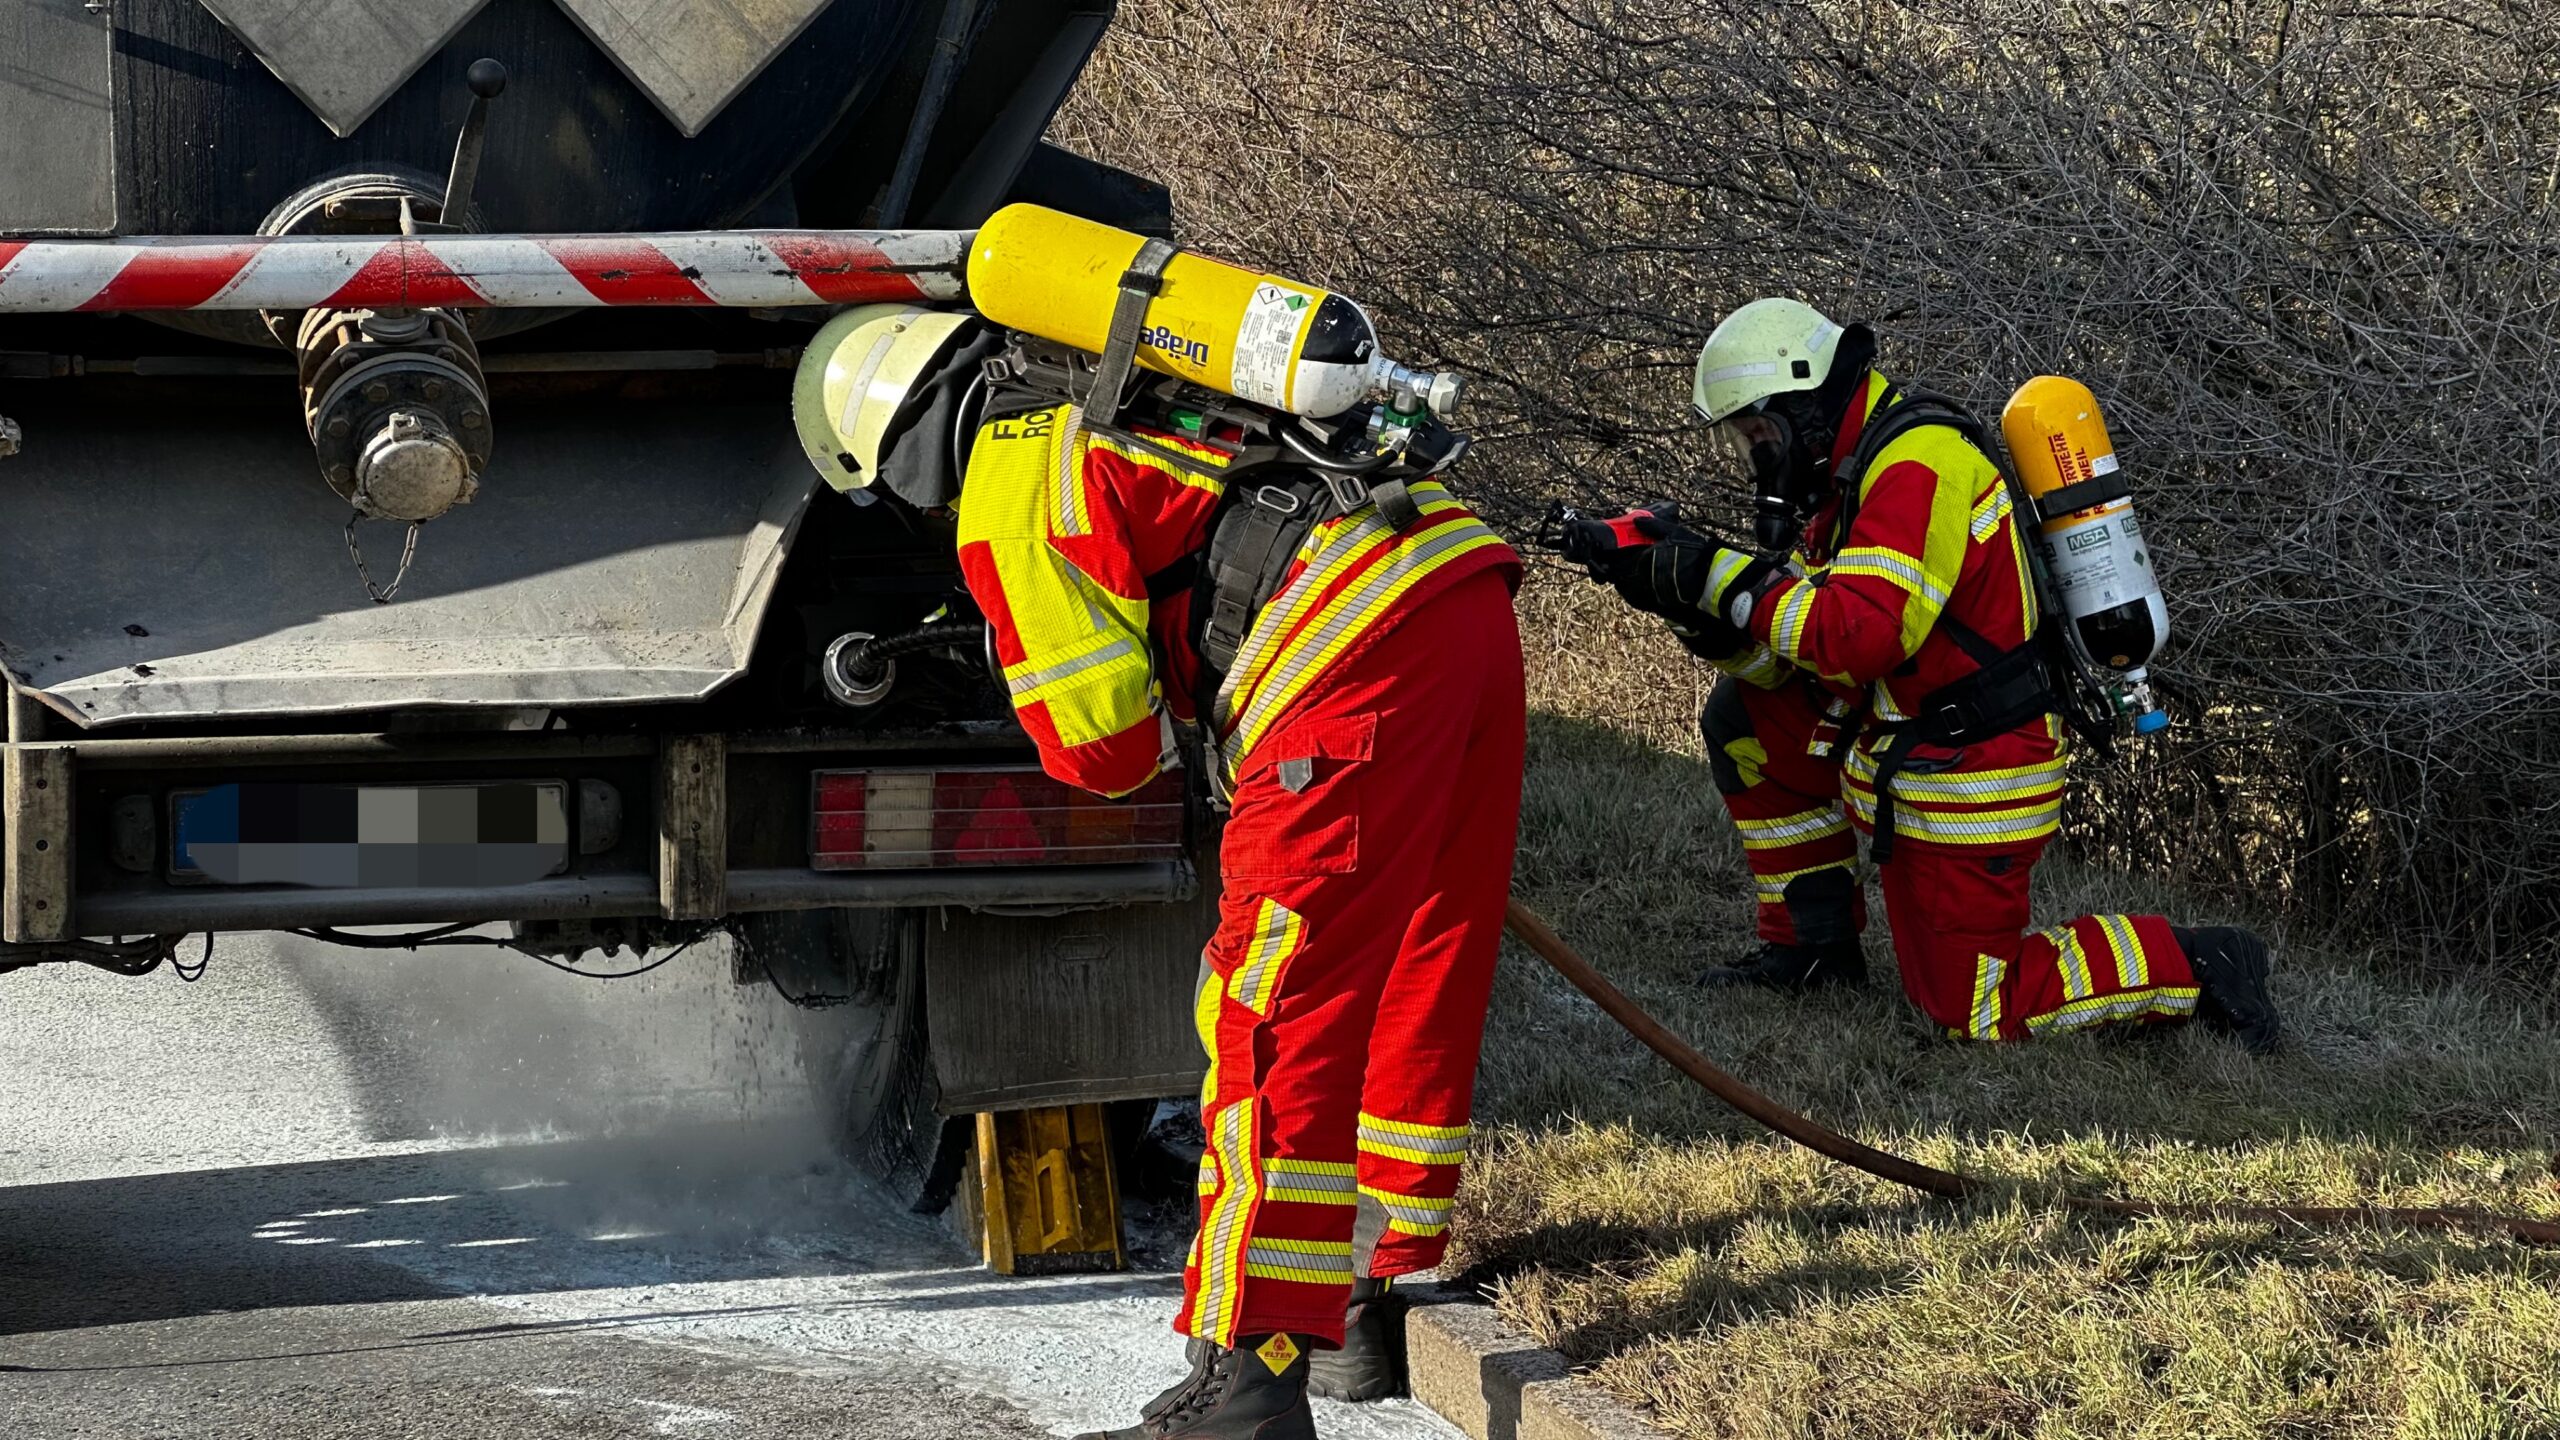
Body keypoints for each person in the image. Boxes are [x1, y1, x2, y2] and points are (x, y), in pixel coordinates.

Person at [794, 304, 1525, 1439]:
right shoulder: (1106, 393)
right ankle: (1368, 1294)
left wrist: (1019, 654)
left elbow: (1110, 756)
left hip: (1342, 662)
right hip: (1456, 590)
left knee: (1272, 1016)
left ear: (885, 451)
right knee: (1423, 953)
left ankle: (1246, 1383)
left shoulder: (1006, 486)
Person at [1576, 297, 2280, 1049]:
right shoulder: (1853, 473)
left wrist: (1720, 575)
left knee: (1972, 1011)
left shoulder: (1917, 465)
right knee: (1744, 717)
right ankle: (1810, 948)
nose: (1755, 457)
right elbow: (1797, 654)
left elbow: (1856, 639)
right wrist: (1679, 596)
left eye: (1757, 435)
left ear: (1802, 406)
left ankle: (2198, 959)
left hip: (1972, 768)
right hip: (1899, 737)